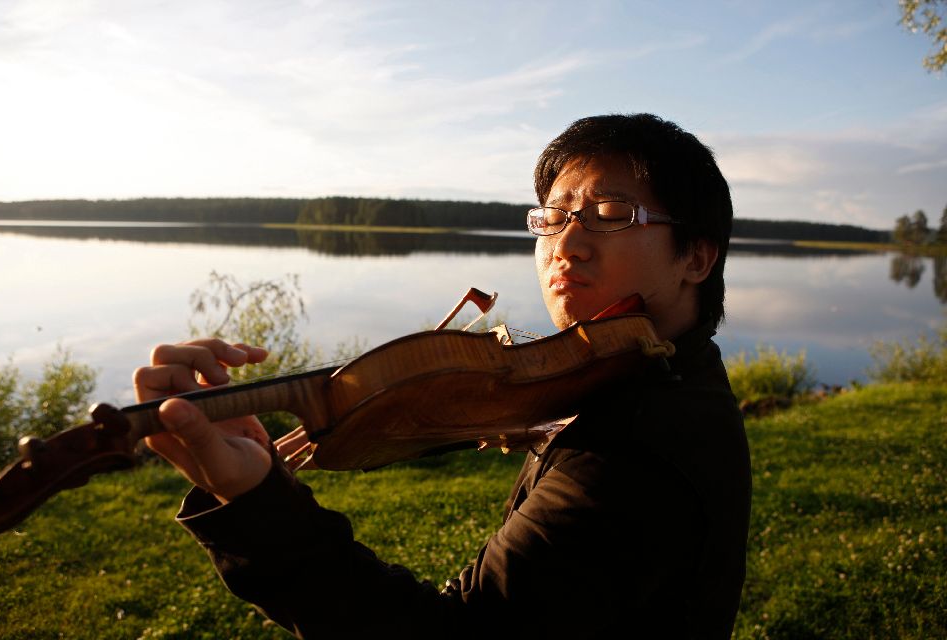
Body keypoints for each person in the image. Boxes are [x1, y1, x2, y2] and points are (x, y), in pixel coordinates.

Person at [134, 113, 752, 639]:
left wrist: (255, 502)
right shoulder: (653, 378)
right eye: (553, 216)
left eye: (611, 214)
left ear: (696, 256)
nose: (568, 243)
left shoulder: (633, 457)